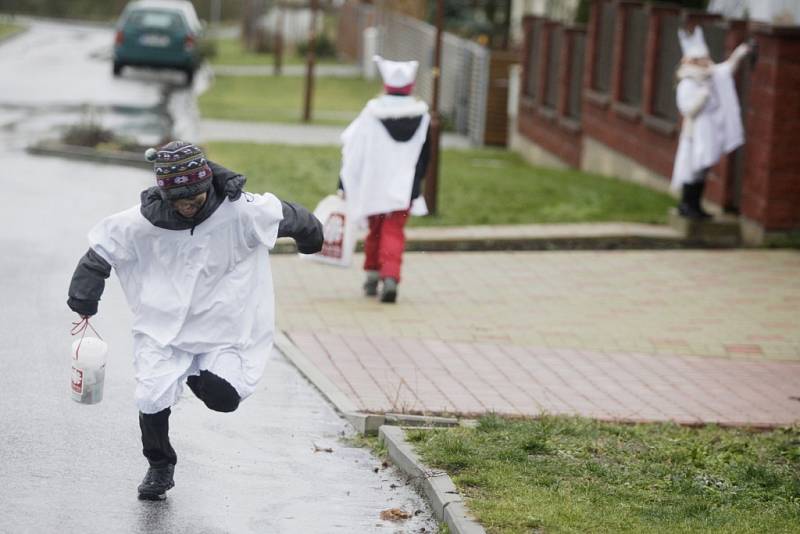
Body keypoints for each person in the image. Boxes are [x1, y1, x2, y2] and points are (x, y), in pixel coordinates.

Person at [67, 141, 323, 500]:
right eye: (180, 202)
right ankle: (159, 466)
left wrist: (312, 238)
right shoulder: (142, 221)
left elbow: (292, 216)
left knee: (225, 399)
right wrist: (84, 297)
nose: (188, 207)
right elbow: (99, 253)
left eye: (196, 199)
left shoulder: (240, 211)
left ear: (206, 187)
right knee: (152, 395)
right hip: (162, 330)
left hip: (224, 330)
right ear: (166, 196)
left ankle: (193, 378)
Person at [338, 55, 431, 303]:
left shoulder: (371, 113)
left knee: (375, 231)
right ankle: (390, 276)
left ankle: (371, 274)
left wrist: (344, 182)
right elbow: (424, 156)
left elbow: (353, 148)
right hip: (404, 187)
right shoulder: (423, 117)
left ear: (386, 85)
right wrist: (417, 183)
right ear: (410, 86)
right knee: (394, 231)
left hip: (373, 184)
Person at [671, 26, 751, 219]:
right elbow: (688, 109)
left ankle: (696, 205)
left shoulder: (710, 77)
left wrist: (739, 54)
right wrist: (702, 97)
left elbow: (726, 68)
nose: (707, 63)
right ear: (692, 61)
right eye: (702, 60)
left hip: (708, 133)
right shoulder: (687, 83)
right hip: (693, 134)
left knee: (703, 169)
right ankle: (687, 205)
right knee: (691, 168)